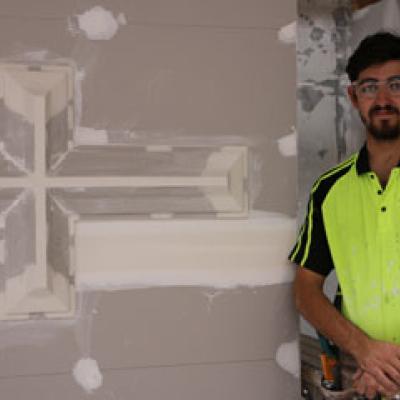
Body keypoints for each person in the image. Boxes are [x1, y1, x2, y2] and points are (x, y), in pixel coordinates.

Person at [290, 31, 400, 400]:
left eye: (396, 84)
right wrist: (365, 351)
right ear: (354, 98)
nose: (383, 99)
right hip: (363, 378)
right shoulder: (329, 191)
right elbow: (306, 290)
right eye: (370, 87)